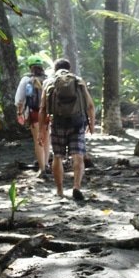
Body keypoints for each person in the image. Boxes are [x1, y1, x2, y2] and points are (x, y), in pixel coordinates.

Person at [38, 58, 95, 200]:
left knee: (57, 156)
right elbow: (90, 105)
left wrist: (41, 131)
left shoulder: (48, 82)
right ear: (69, 68)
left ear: (55, 69)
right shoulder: (78, 81)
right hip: (77, 122)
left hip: (57, 123)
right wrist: (91, 125)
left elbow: (43, 109)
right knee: (78, 156)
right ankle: (76, 186)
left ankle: (60, 191)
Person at [15, 54, 51, 178]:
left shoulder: (26, 80)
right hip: (48, 114)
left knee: (38, 141)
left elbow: (19, 99)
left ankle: (42, 170)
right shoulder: (48, 79)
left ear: (30, 67)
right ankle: (46, 164)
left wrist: (19, 113)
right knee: (46, 140)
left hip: (34, 113)